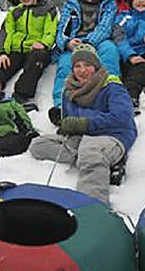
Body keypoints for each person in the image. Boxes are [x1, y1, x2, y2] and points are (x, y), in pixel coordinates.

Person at [30, 45, 136, 204]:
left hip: (113, 134)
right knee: (38, 145)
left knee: (90, 153)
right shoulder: (69, 91)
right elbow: (70, 118)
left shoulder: (112, 86)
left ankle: (93, 207)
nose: (82, 70)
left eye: (87, 65)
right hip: (82, 136)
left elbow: (121, 118)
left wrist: (84, 122)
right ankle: (102, 161)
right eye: (77, 66)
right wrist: (67, 125)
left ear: (96, 66)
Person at [50, 0, 119, 121]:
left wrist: (88, 43)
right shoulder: (72, 4)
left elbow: (105, 27)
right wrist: (66, 43)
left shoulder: (108, 4)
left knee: (110, 52)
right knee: (66, 64)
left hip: (98, 41)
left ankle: (113, 96)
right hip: (75, 41)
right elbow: (62, 28)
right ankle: (61, 106)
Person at [0, 0, 58, 111]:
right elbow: (6, 32)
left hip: (36, 50)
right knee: (1, 66)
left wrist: (44, 43)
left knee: (37, 59)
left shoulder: (48, 10)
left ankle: (21, 96)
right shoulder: (15, 12)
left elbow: (51, 31)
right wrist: (2, 52)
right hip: (16, 50)